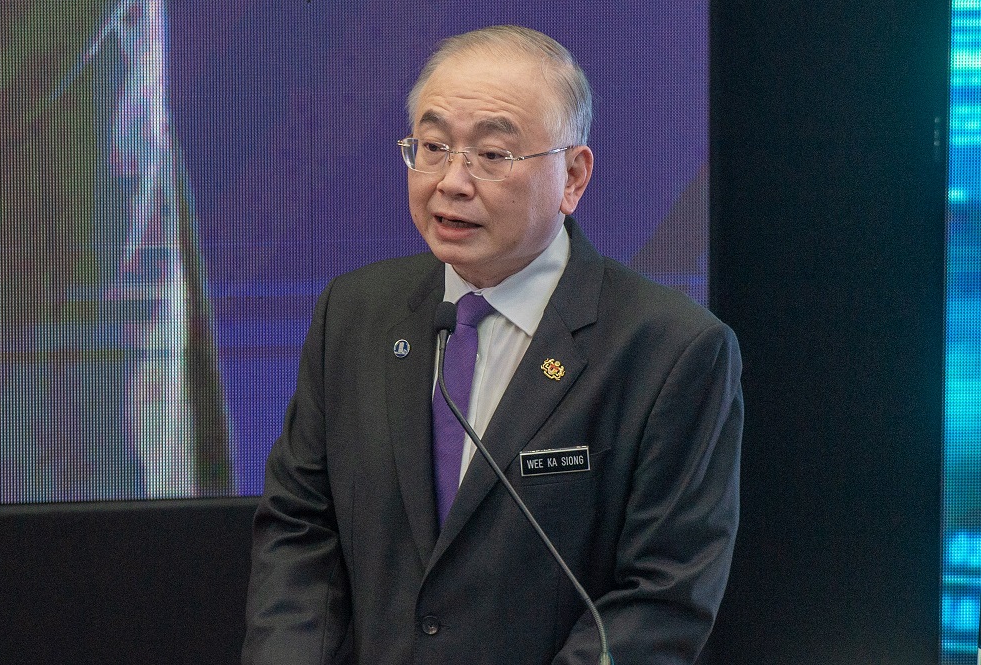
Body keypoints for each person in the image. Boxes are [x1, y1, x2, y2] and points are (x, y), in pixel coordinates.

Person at [243, 25, 742, 665]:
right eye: (433, 147)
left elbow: (661, 599)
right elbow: (300, 529)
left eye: (493, 155)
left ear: (573, 177)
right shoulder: (356, 313)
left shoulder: (672, 351)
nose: (452, 181)